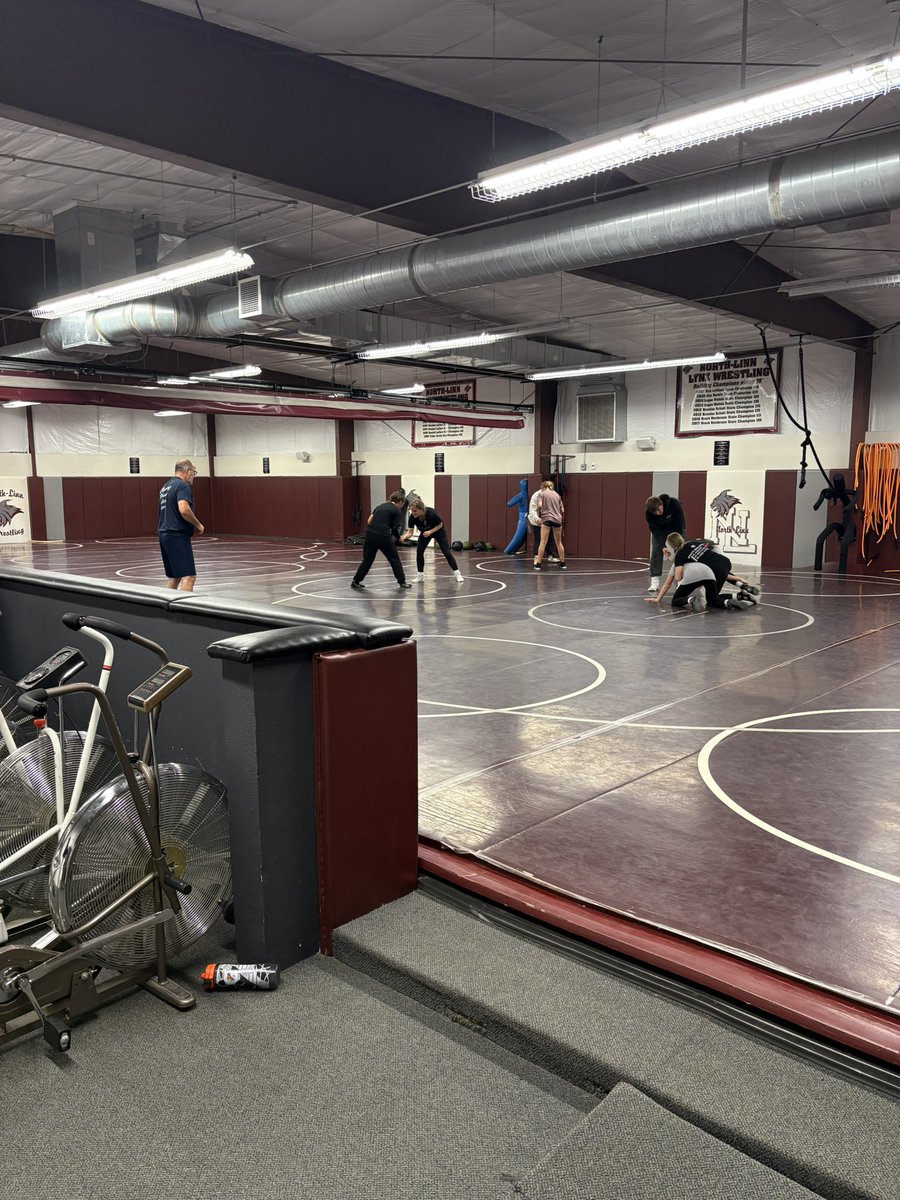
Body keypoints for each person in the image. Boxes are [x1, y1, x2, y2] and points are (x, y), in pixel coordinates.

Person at [647, 532, 761, 610]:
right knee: (715, 591)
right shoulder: (693, 543)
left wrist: (680, 573)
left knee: (712, 600)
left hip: (711, 571)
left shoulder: (680, 556)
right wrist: (737, 578)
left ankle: (736, 597)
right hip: (724, 562)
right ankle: (740, 593)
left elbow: (676, 578)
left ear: (672, 547)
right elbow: (710, 554)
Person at [351, 491, 412, 591]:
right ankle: (402, 582)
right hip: (382, 535)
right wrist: (399, 538)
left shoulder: (380, 506)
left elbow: (369, 520)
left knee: (367, 560)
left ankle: (356, 581)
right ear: (400, 501)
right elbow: (395, 528)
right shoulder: (397, 511)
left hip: (369, 534)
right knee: (394, 559)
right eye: (402, 504)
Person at [158, 458, 204, 591]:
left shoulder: (165, 487)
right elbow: (184, 509)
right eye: (194, 473)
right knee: (189, 577)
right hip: (177, 534)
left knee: (174, 576)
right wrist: (198, 524)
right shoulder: (182, 486)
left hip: (164, 534)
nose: (193, 477)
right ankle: (184, 609)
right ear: (187, 470)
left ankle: (165, 608)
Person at [401, 498, 464, 583]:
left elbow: (440, 525)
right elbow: (410, 532)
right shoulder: (412, 517)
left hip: (438, 531)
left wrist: (430, 531)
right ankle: (420, 576)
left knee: (446, 552)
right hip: (425, 533)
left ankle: (457, 574)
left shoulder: (432, 514)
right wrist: (404, 536)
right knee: (419, 552)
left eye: (415, 511)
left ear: (421, 509)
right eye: (412, 511)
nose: (413, 513)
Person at [645, 494, 685, 593]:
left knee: (681, 552)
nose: (658, 513)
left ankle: (680, 581)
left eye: (659, 510)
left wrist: (675, 543)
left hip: (676, 529)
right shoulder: (649, 514)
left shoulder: (674, 504)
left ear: (661, 504)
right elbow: (655, 531)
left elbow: (680, 524)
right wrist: (663, 546)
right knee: (655, 552)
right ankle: (654, 582)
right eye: (655, 512)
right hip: (660, 532)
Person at [534, 480, 566, 570]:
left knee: (543, 542)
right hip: (557, 519)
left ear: (543, 487)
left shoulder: (542, 494)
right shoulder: (557, 495)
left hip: (547, 518)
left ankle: (538, 564)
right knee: (559, 542)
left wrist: (538, 513)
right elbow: (562, 510)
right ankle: (563, 563)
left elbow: (540, 505)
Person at [528, 482, 558, 561]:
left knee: (550, 538)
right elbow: (532, 510)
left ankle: (550, 556)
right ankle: (536, 556)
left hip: (548, 519)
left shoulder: (553, 494)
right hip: (537, 519)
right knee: (538, 538)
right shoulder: (536, 495)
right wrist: (537, 518)